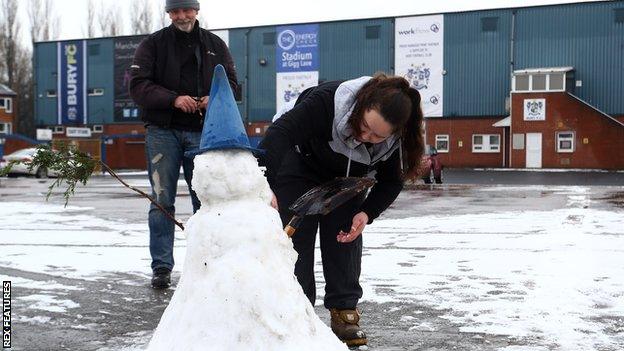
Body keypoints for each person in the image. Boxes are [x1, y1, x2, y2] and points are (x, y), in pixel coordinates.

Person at [257, 73, 425, 347]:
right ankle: (298, 312)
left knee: (346, 235)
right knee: (296, 238)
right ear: (362, 104)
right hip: (299, 164)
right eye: (365, 126)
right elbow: (280, 134)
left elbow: (392, 181)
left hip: (346, 179)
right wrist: (266, 183)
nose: (365, 136)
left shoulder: (397, 140)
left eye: (376, 136)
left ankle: (344, 313)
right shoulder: (328, 102)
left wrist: (367, 213)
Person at [129, 0, 238, 289]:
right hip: (162, 131)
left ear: (196, 10)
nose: (181, 16)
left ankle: (207, 262)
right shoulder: (153, 45)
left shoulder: (215, 45)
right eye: (175, 11)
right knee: (162, 199)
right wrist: (173, 99)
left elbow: (235, 87)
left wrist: (210, 97)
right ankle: (162, 267)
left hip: (203, 133)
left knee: (205, 199)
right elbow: (137, 86)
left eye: (186, 10)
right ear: (168, 14)